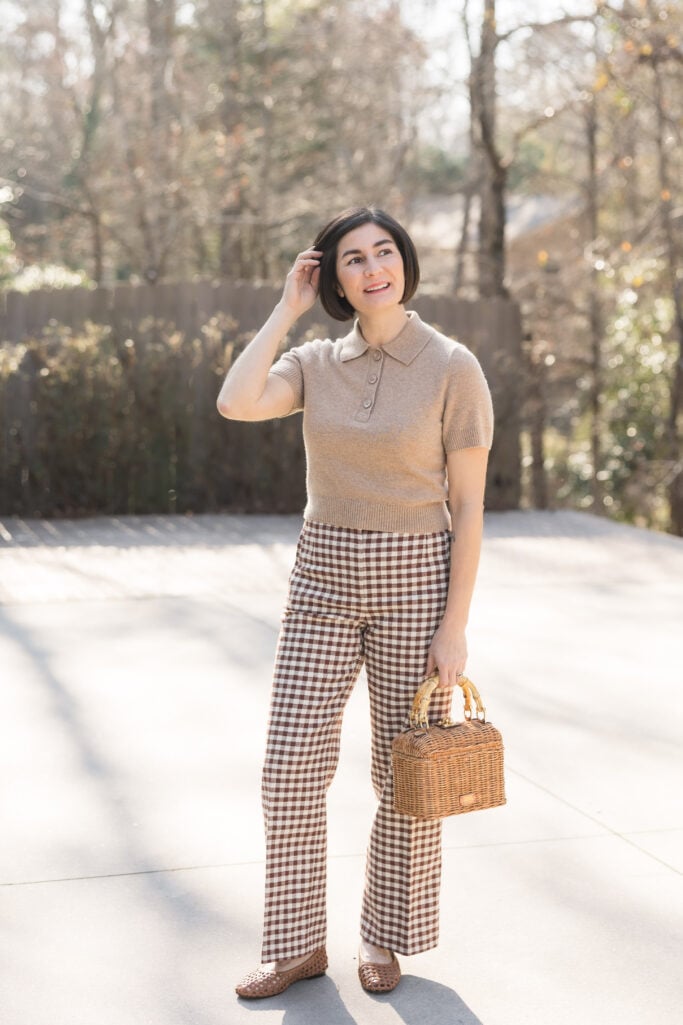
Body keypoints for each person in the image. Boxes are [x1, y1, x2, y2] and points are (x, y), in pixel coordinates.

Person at [217, 206, 494, 999]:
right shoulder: (312, 361)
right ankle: (297, 943)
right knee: (288, 768)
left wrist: (454, 625)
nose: (372, 268)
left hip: (416, 578)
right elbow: (236, 402)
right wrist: (284, 309)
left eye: (383, 252)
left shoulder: (452, 366)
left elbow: (468, 506)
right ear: (331, 277)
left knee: (402, 774)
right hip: (321, 579)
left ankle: (384, 935)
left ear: (404, 261)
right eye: (352, 259)